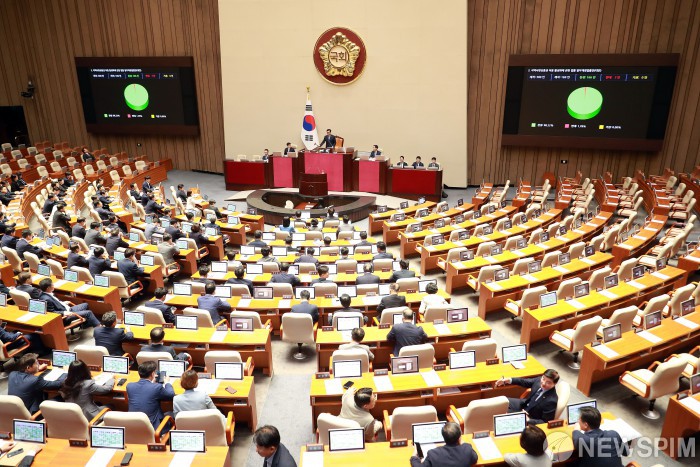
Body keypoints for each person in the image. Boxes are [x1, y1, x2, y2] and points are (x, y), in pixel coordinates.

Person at [495, 369, 560, 425]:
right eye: (543, 378)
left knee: (501, 414)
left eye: (548, 382)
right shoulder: (539, 380)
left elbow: (545, 422)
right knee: (501, 401)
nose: (543, 383)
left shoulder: (552, 401)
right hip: (525, 404)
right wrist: (508, 380)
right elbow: (524, 382)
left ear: (554, 384)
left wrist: (528, 420)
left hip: (530, 416)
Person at [127, 360, 175, 429]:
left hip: (133, 426)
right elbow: (171, 395)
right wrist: (167, 382)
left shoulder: (129, 386)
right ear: (153, 374)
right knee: (171, 413)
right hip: (152, 427)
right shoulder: (157, 387)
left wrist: (152, 383)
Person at [409, 421, 478, 467]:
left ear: (443, 437)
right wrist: (462, 442)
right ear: (459, 437)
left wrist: (414, 457)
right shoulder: (467, 449)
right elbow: (475, 458)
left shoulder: (433, 454)